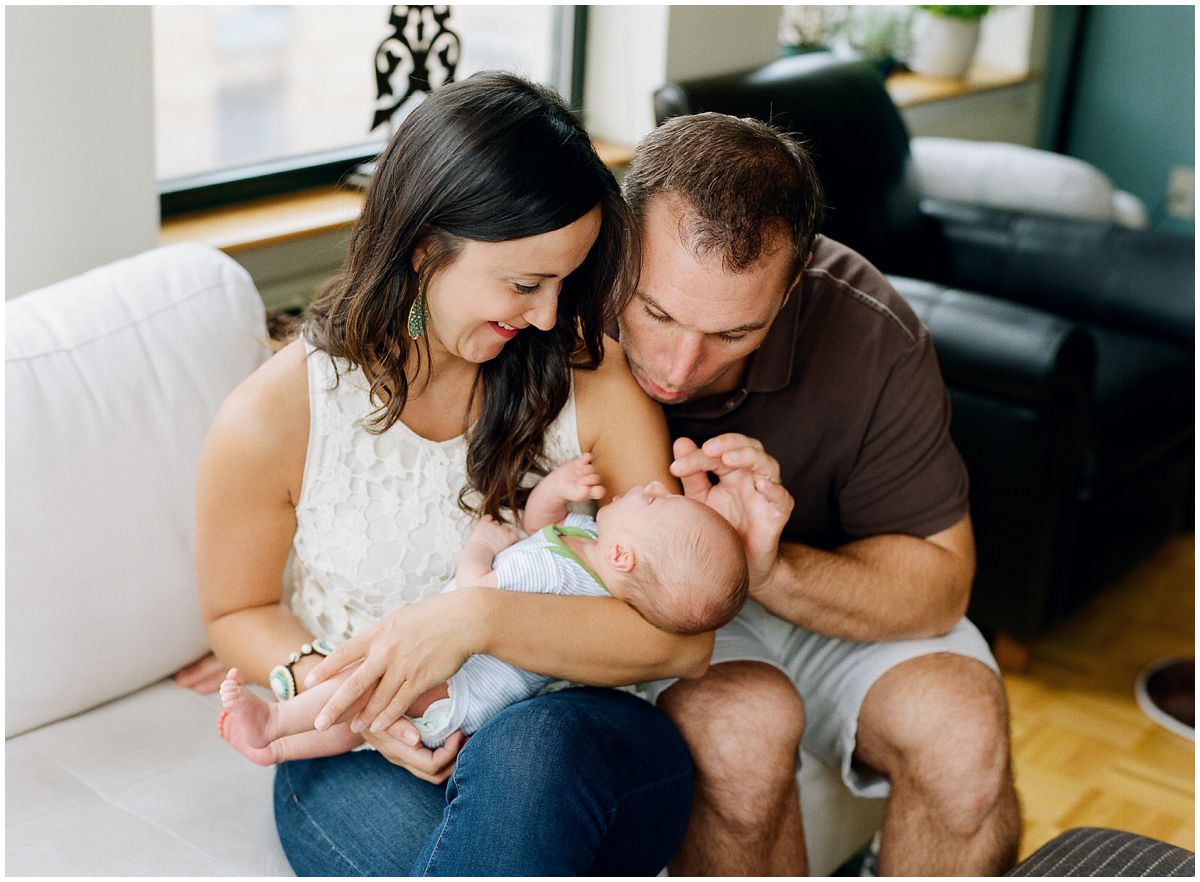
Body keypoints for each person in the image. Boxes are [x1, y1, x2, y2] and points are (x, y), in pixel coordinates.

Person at [193, 75, 789, 876]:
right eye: (523, 284)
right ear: (423, 245)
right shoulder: (276, 415)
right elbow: (238, 608)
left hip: (579, 739)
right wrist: (354, 698)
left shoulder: (591, 379)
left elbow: (680, 642)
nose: (549, 316)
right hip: (363, 749)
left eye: (564, 282)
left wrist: (474, 622)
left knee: (530, 748)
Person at [609, 112, 1022, 876]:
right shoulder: (560, 280)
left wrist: (769, 568)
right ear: (620, 242)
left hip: (814, 584)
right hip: (646, 602)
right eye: (656, 312)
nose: (679, 365)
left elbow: (940, 586)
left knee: (963, 739)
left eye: (733, 333)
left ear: (793, 283)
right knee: (740, 733)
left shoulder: (871, 332)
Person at [217, 456, 749, 764]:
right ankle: (282, 750)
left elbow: (477, 594)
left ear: (622, 555)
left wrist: (479, 543)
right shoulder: (594, 559)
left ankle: (277, 721)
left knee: (361, 687)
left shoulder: (555, 575)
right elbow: (544, 530)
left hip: (457, 682)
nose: (654, 487)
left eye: (657, 503)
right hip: (467, 697)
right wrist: (556, 492)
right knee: (359, 724)